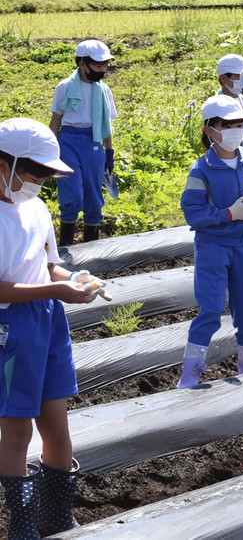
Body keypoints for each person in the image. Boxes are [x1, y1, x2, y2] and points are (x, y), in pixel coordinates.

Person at [0, 118, 101, 538]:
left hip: (48, 319)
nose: (40, 181)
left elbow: (49, 263)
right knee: (18, 427)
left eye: (45, 175)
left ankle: (57, 514)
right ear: (4, 164)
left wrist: (73, 278)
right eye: (34, 172)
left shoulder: (37, 207)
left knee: (56, 423)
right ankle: (21, 522)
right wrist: (55, 289)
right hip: (13, 325)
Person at [177, 95, 243, 388]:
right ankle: (190, 375)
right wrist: (228, 213)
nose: (236, 131)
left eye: (240, 124)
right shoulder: (201, 169)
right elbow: (193, 212)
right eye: (228, 125)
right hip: (213, 248)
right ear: (211, 131)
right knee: (210, 309)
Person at [48, 39, 118, 247]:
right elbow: (56, 120)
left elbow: (106, 125)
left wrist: (110, 152)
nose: (102, 69)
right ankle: (65, 246)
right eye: (98, 65)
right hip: (68, 141)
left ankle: (91, 248)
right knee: (72, 195)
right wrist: (50, 150)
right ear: (82, 64)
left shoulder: (104, 91)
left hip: (94, 142)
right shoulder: (65, 87)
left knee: (94, 198)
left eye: (105, 65)